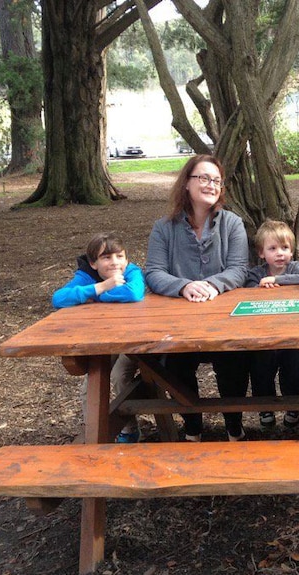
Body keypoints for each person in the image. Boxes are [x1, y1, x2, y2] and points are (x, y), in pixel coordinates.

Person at [144, 154, 250, 442]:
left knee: (233, 363)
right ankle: (192, 426)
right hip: (180, 322)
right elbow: (153, 272)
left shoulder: (233, 224)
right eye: (203, 178)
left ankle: (234, 426)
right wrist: (184, 286)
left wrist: (213, 286)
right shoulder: (164, 228)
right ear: (186, 184)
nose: (211, 185)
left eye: (216, 180)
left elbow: (239, 269)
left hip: (224, 320)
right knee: (175, 366)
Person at [52, 232, 146, 442]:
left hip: (136, 341)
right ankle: (94, 436)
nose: (114, 263)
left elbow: (134, 293)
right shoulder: (86, 276)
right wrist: (100, 286)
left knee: (120, 376)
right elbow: (58, 298)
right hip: (104, 342)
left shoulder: (131, 271)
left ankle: (129, 430)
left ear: (126, 259)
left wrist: (94, 295)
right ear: (93, 263)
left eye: (119, 256)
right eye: (106, 257)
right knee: (90, 386)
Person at [245, 220, 299, 429]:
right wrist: (259, 286)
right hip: (263, 335)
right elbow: (246, 290)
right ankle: (265, 407)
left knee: (295, 370)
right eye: (272, 248)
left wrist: (279, 281)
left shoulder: (297, 268)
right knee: (260, 369)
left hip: (294, 334)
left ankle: (294, 406)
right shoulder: (256, 273)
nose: (280, 253)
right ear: (262, 253)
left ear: (291, 251)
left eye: (285, 248)